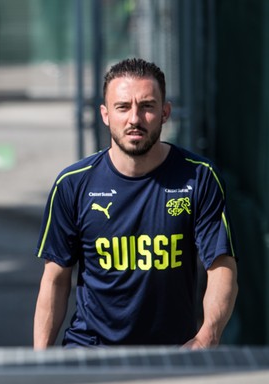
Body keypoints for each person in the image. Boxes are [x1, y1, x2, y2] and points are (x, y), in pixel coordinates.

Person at [33, 58, 238, 349]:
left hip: (172, 354)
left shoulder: (199, 177)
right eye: (122, 107)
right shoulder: (72, 184)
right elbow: (55, 280)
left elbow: (221, 266)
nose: (134, 119)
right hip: (90, 350)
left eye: (147, 106)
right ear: (105, 114)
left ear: (165, 112)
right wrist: (40, 363)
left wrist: (206, 337)